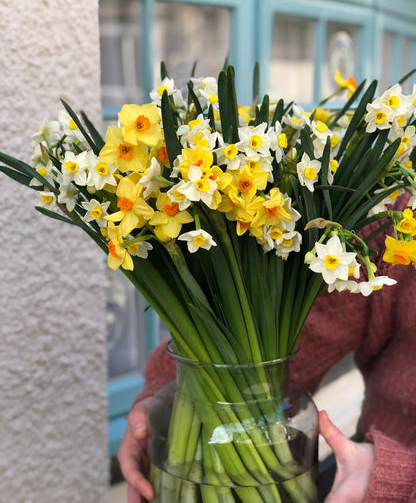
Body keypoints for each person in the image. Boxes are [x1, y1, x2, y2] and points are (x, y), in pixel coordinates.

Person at [117, 214, 416, 502]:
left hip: (373, 474)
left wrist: (399, 480)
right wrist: (166, 391)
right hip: (362, 467)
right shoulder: (397, 210)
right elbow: (301, 329)